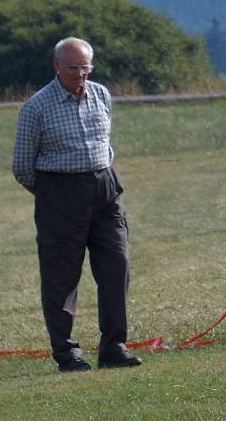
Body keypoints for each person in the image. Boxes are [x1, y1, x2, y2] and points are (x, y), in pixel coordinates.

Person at [12, 37, 141, 372]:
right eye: (73, 68)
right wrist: (57, 197)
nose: (81, 74)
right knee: (61, 278)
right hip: (60, 195)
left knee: (117, 267)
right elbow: (23, 167)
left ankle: (114, 347)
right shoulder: (37, 108)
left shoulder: (101, 95)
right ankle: (67, 352)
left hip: (105, 190)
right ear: (56, 66)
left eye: (86, 67)